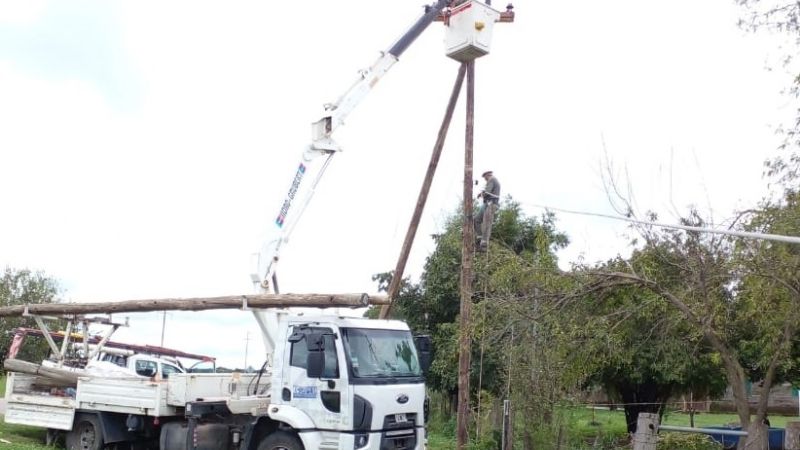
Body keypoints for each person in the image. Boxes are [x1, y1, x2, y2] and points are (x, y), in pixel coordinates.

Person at [474, 170, 500, 251]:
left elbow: (487, 193)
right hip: (486, 204)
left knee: (486, 223)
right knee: (477, 219)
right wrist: (482, 193)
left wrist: (481, 194)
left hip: (491, 204)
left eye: (484, 177)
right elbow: (487, 192)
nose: (484, 179)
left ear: (487, 175)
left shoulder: (492, 179)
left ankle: (484, 244)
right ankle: (479, 238)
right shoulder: (491, 180)